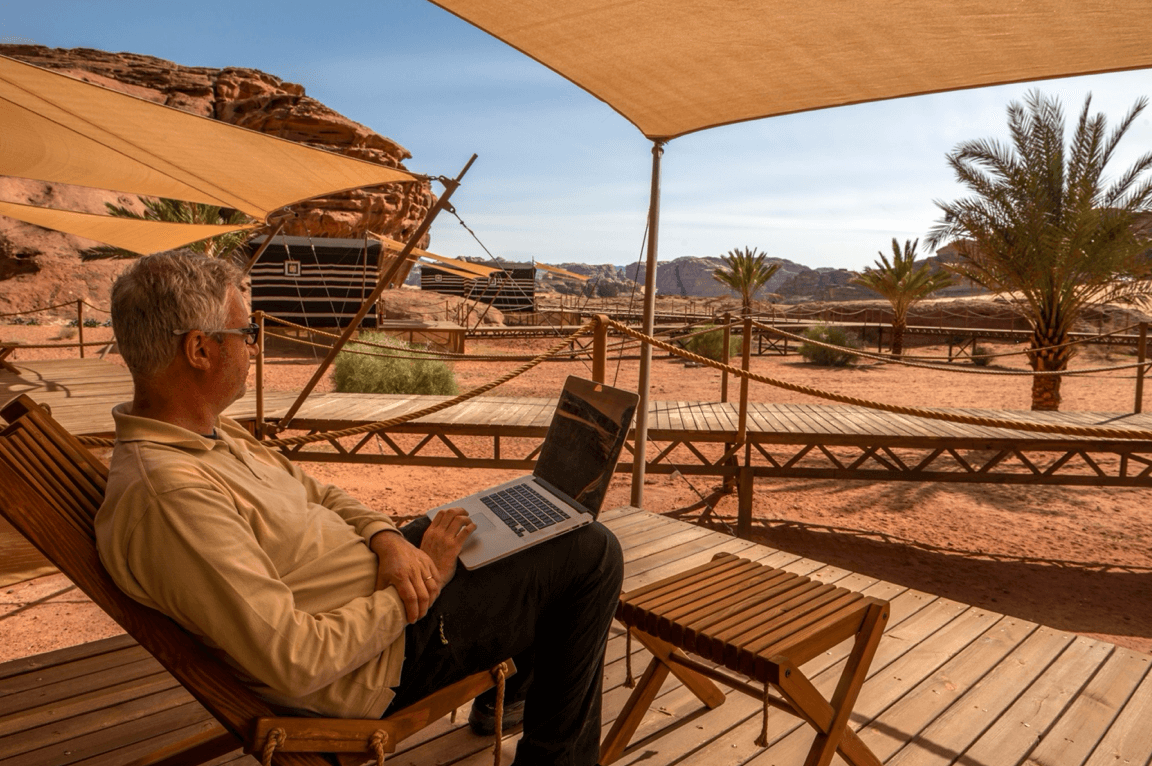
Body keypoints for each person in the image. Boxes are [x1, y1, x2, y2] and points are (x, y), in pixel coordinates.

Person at [94, 250, 624, 766]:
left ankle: (509, 700)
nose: (253, 347)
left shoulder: (208, 433)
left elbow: (321, 494)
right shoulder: (172, 497)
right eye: (246, 333)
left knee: (529, 525)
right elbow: (297, 660)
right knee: (590, 554)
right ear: (199, 350)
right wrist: (418, 587)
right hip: (381, 658)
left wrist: (388, 540)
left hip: (384, 581)